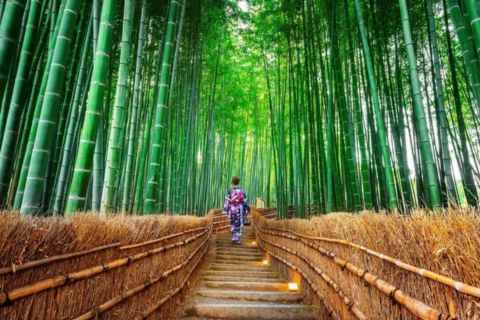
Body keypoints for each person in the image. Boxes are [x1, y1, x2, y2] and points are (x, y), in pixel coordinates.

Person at [223, 176, 248, 243]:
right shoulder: (242, 190)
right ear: (238, 182)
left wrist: (226, 210)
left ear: (232, 182)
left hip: (232, 209)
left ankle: (234, 237)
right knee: (239, 223)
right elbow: (245, 201)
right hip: (240, 209)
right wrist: (246, 210)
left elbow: (227, 200)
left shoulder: (230, 190)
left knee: (233, 222)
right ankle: (236, 238)